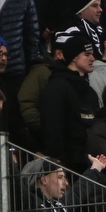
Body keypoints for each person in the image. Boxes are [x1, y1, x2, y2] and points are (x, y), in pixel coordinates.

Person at [38, 33, 100, 172]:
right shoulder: (57, 87)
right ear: (73, 57)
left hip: (88, 164)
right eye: (87, 54)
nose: (93, 58)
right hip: (67, 167)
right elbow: (52, 129)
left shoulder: (90, 92)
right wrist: (60, 165)